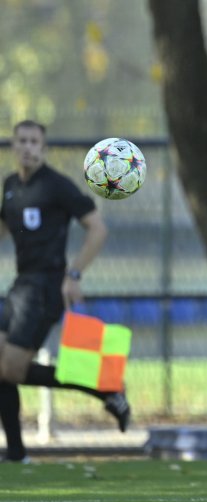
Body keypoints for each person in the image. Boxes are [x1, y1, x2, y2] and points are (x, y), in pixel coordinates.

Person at [0, 120, 131, 463]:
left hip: (45, 288)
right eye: (22, 141)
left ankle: (104, 385)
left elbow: (97, 228)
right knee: (0, 366)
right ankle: (16, 454)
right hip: (20, 285)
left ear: (43, 148)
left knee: (11, 370)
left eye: (34, 142)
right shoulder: (11, 185)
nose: (27, 147)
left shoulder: (57, 186)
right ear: (13, 147)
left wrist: (73, 275)